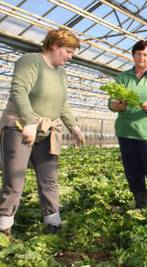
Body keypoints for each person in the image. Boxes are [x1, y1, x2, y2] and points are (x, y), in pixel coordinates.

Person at [0, 28, 85, 236]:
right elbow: (19, 90)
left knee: (49, 178)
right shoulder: (30, 61)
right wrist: (29, 122)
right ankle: (4, 229)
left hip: (47, 130)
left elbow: (62, 103)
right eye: (68, 51)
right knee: (15, 179)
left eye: (72, 52)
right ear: (54, 45)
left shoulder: (61, 73)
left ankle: (53, 223)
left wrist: (73, 126)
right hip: (20, 127)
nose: (70, 56)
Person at [108, 40, 147, 213]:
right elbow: (111, 102)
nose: (141, 57)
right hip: (126, 132)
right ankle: (141, 204)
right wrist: (117, 105)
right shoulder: (123, 77)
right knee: (132, 170)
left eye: (145, 54)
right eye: (138, 54)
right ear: (133, 56)